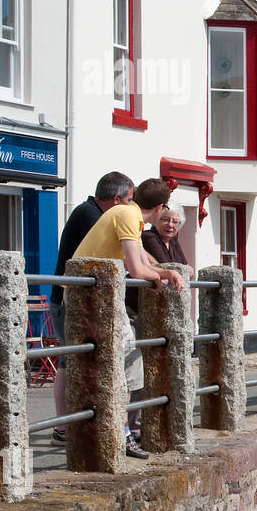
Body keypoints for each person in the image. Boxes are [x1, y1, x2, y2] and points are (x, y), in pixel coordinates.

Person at [71, 177, 186, 459]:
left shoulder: (126, 214)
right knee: (127, 365)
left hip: (92, 295)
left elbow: (143, 260)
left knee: (116, 365)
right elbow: (136, 269)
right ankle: (122, 435)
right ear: (160, 207)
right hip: (92, 297)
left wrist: (159, 270)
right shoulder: (127, 216)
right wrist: (167, 274)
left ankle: (112, 433)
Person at [50, 172, 135, 445]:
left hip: (74, 298)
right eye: (128, 201)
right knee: (68, 360)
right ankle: (63, 428)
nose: (130, 207)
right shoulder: (90, 215)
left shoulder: (90, 212)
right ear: (116, 199)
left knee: (74, 358)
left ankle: (72, 424)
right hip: (68, 299)